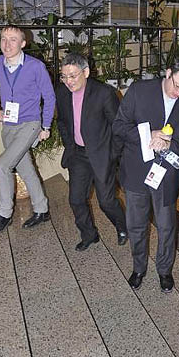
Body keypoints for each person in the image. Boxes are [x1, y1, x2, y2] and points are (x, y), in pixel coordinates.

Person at [113, 57, 179, 293]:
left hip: (166, 175)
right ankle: (138, 267)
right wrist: (147, 134)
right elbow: (119, 126)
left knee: (166, 227)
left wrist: (170, 144)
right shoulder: (140, 90)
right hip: (136, 171)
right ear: (168, 72)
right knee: (136, 225)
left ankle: (164, 271)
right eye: (177, 85)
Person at [0, 25, 56, 234]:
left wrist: (46, 126)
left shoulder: (35, 66)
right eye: (4, 39)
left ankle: (4, 213)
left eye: (13, 39)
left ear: (23, 43)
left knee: (2, 167)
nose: (7, 44)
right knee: (26, 170)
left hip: (30, 124)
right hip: (8, 125)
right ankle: (42, 210)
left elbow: (49, 97)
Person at [55, 53, 127, 251]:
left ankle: (122, 226)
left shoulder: (104, 93)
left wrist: (112, 154)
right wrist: (69, 145)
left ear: (85, 72)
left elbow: (118, 127)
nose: (68, 81)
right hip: (78, 154)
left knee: (106, 201)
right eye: (64, 76)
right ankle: (89, 234)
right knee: (76, 199)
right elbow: (62, 121)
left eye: (73, 76)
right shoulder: (61, 93)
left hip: (102, 155)